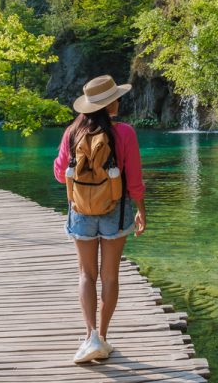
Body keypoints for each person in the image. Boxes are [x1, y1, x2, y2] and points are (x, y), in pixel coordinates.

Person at [53, 75, 147, 364]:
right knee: (109, 276)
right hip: (115, 211)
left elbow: (59, 174)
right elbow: (134, 177)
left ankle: (89, 335)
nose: (119, 101)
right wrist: (141, 208)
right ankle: (102, 338)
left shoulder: (72, 132)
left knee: (86, 275)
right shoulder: (125, 133)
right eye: (116, 97)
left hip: (80, 210)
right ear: (110, 104)